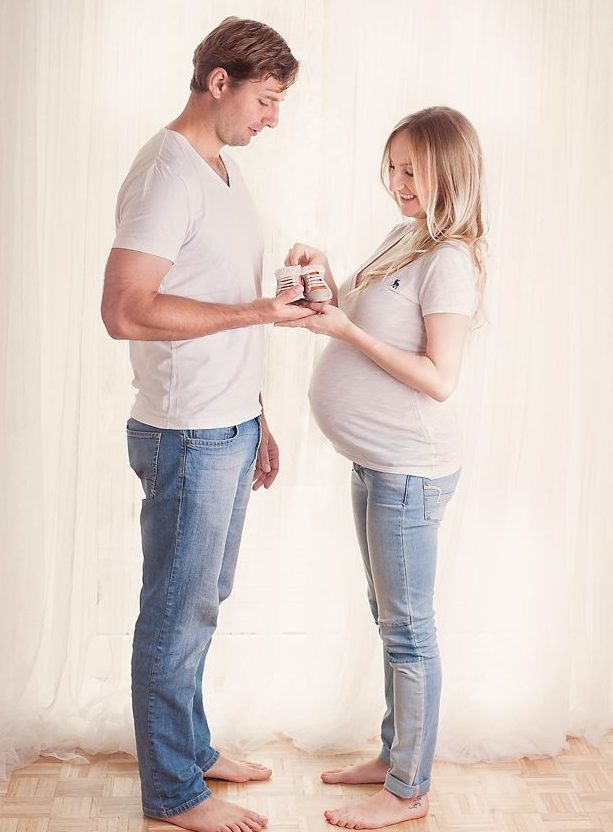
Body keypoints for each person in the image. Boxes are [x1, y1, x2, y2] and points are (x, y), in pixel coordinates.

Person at [101, 17, 314, 832]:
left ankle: (188, 748)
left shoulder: (218, 169)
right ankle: (172, 794)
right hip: (185, 432)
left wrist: (255, 414)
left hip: (224, 426)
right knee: (175, 611)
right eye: (264, 100)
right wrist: (258, 309)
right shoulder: (165, 173)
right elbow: (125, 311)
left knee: (202, 601)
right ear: (217, 84)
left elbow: (212, 295)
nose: (271, 118)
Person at [278, 106, 486, 828]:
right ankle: (392, 756)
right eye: (391, 165)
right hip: (375, 462)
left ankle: (407, 791)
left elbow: (438, 376)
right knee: (387, 616)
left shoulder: (450, 260)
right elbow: (363, 321)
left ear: (446, 172)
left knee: (407, 628)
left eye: (411, 169)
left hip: (409, 469)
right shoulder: (406, 238)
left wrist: (339, 330)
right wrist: (323, 279)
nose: (396, 182)